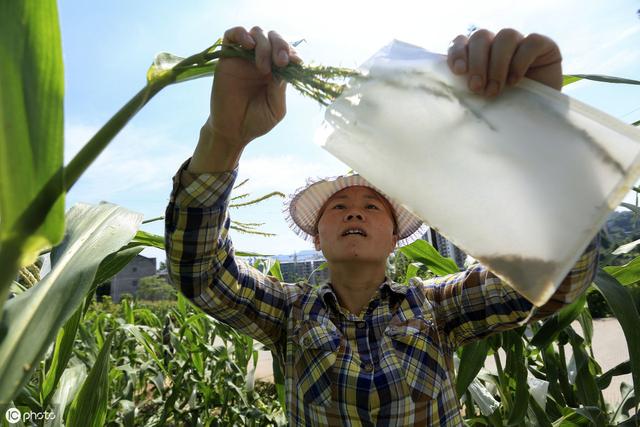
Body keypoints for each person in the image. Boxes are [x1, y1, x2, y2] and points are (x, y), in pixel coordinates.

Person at [165, 25, 599, 426]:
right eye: (338, 208)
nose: (355, 212)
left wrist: (540, 134)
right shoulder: (290, 313)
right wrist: (224, 137)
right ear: (317, 238)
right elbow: (203, 277)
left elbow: (555, 278)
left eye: (373, 206)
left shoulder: (435, 308)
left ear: (396, 237)